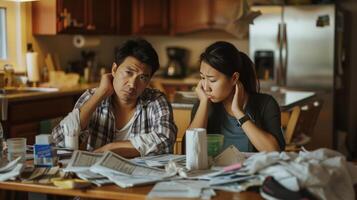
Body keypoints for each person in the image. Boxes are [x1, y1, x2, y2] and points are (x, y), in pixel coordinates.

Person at [51, 38, 177, 157]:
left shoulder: (156, 100)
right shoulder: (93, 96)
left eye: (142, 77)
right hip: (96, 175)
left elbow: (165, 138)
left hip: (139, 176)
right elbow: (59, 140)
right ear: (114, 69)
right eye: (128, 72)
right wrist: (100, 94)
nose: (132, 84)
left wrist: (110, 148)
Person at [189, 41, 285, 152]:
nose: (206, 88)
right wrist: (204, 103)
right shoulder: (203, 105)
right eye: (202, 78)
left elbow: (275, 152)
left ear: (234, 78)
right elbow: (190, 151)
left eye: (212, 80)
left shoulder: (266, 104)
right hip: (215, 170)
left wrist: (238, 112)